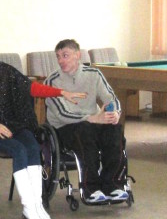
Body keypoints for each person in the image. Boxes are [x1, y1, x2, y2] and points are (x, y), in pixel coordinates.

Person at [0, 32, 85, 219]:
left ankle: (37, 203)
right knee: (19, 150)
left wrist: (61, 92)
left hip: (12, 124)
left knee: (33, 146)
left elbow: (30, 88)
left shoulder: (2, 71)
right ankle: (28, 206)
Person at [45, 39, 128, 204]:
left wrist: (115, 112)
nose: (61, 60)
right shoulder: (52, 81)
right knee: (84, 131)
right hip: (64, 128)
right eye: (58, 57)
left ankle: (113, 184)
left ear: (78, 55)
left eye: (65, 55)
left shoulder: (94, 74)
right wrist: (92, 118)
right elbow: (62, 114)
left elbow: (111, 97)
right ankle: (91, 188)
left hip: (92, 122)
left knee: (114, 129)